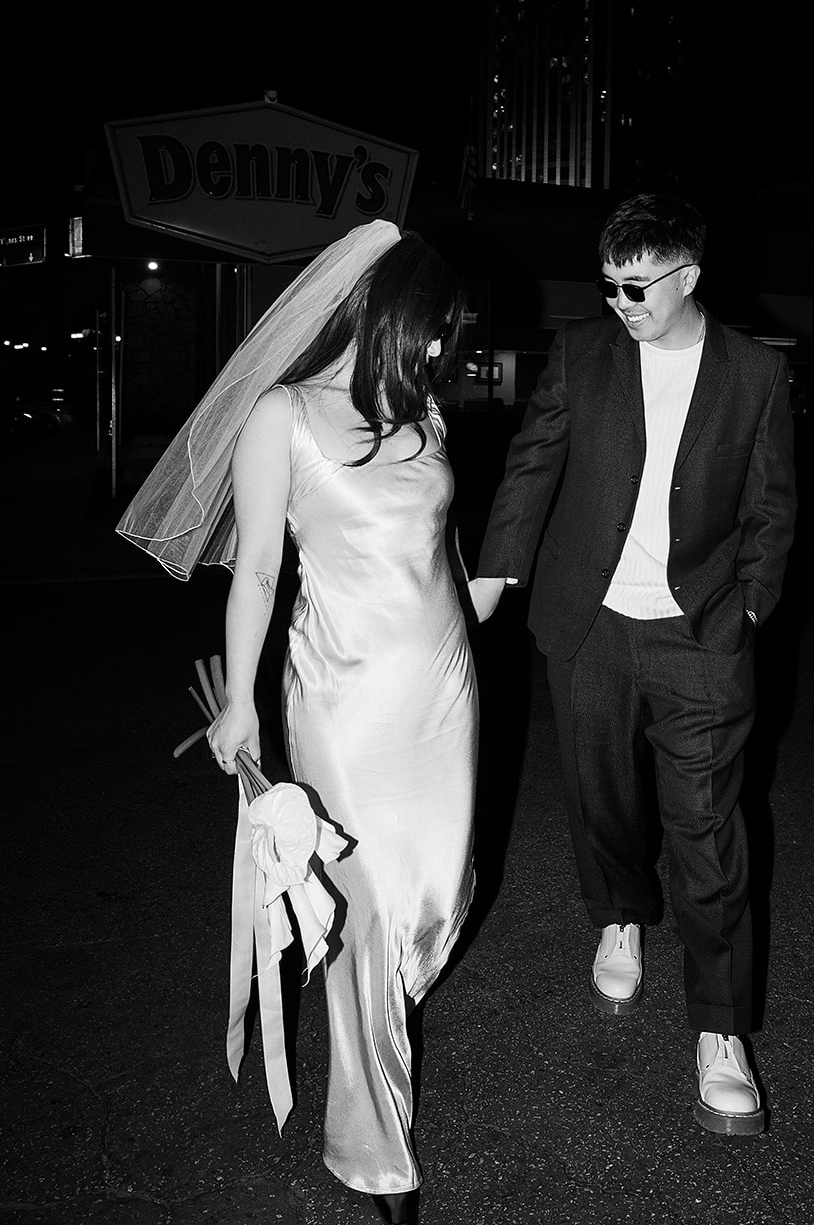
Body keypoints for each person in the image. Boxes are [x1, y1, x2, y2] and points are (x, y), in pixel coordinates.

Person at [118, 222, 476, 1225]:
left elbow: (434, 549)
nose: (444, 351)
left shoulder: (426, 413)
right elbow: (262, 571)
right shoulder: (283, 416)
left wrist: (480, 592)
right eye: (435, 331)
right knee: (363, 920)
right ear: (389, 315)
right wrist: (238, 695)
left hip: (444, 697)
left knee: (428, 902)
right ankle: (375, 1153)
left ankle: (381, 1046)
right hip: (343, 702)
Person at [469, 194, 796, 1137]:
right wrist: (489, 582)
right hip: (591, 620)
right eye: (607, 285)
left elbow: (774, 511)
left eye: (637, 286)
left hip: (699, 632)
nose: (619, 302)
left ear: (688, 276)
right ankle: (618, 913)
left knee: (706, 828)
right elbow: (531, 468)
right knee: (600, 793)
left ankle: (721, 1031)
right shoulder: (583, 354)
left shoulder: (754, 373)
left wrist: (745, 609)